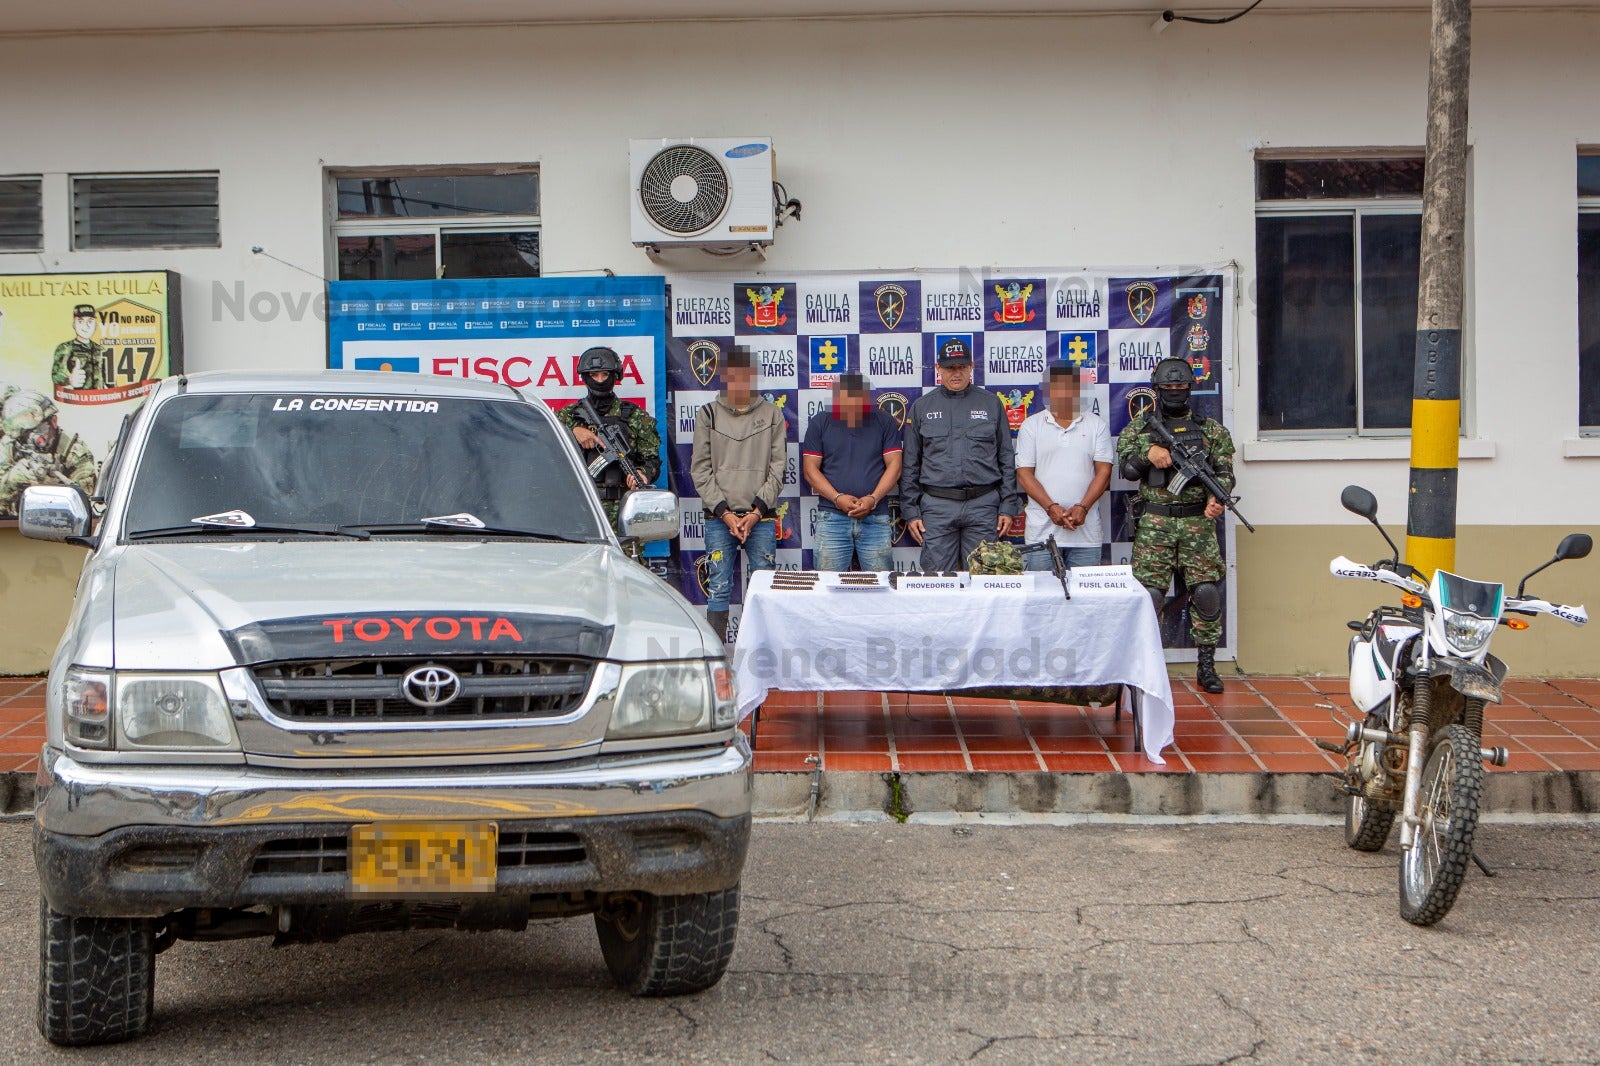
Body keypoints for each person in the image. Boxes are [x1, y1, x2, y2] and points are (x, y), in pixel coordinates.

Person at [1116, 357, 1237, 693]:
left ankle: (1207, 665)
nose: (1173, 392)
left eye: (1179, 387)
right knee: (1150, 595)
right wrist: (1149, 454)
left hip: (1198, 521)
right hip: (1155, 521)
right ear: (1157, 389)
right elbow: (1125, 469)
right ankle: (1145, 664)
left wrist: (1219, 497)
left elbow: (1225, 472)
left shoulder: (1212, 430)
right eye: (1167, 388)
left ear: (1190, 388)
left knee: (1207, 592)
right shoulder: (1140, 429)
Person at [689, 347, 788, 641]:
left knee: (765, 589)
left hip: (763, 518)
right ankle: (718, 655)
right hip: (720, 518)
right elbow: (700, 469)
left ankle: (764, 653)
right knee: (718, 587)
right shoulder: (707, 414)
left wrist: (757, 511)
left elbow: (778, 468)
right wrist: (726, 513)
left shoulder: (772, 414)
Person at [899, 337, 1021, 571]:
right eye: (949, 368)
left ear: (972, 366)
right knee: (937, 581)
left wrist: (1007, 505)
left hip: (983, 505)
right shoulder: (923, 407)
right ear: (938, 369)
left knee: (985, 578)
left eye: (962, 367)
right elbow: (910, 464)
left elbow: (1006, 458)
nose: (956, 373)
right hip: (937, 506)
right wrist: (911, 511)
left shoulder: (991, 404)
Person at [801, 373, 902, 571]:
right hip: (832, 519)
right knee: (828, 590)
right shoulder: (820, 422)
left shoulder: (884, 421)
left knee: (880, 590)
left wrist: (872, 499)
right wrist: (837, 498)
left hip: (875, 517)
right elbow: (810, 470)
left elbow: (895, 466)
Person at [557, 346, 661, 537]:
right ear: (585, 377)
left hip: (624, 508)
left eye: (605, 374)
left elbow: (652, 459)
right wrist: (573, 432)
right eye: (594, 375)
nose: (599, 380)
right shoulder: (568, 416)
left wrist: (643, 473)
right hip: (581, 507)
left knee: (630, 562)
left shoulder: (634, 416)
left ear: (615, 376)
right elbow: (547, 452)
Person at [1015, 365, 1112, 570]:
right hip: (1042, 535)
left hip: (1086, 535)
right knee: (1041, 600)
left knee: (1085, 601)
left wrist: (1082, 507)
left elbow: (1104, 472)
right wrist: (1052, 508)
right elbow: (1024, 474)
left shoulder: (1097, 425)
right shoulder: (1031, 425)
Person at [0, 391, 98, 515]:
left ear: (53, 422)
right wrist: (11, 481)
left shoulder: (74, 453)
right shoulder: (10, 447)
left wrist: (52, 487)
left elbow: (85, 507)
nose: (29, 441)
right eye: (23, 435)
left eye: (35, 430)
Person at [51, 304, 108, 391]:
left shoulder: (101, 350)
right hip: (78, 401)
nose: (86, 326)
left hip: (100, 400)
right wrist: (70, 380)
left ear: (95, 325)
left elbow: (110, 380)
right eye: (80, 321)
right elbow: (56, 375)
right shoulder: (66, 348)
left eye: (90, 321)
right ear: (74, 324)